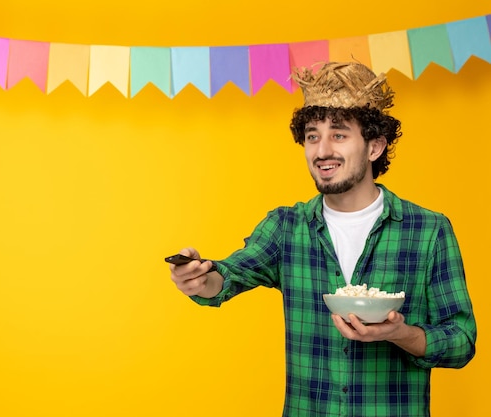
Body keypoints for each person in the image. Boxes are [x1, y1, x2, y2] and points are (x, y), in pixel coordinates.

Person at [168, 61, 476, 417]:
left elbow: (461, 342)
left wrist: (400, 333)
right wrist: (198, 277)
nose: (321, 150)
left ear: (374, 147)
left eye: (339, 134)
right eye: (312, 136)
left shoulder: (428, 231)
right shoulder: (287, 227)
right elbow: (228, 275)